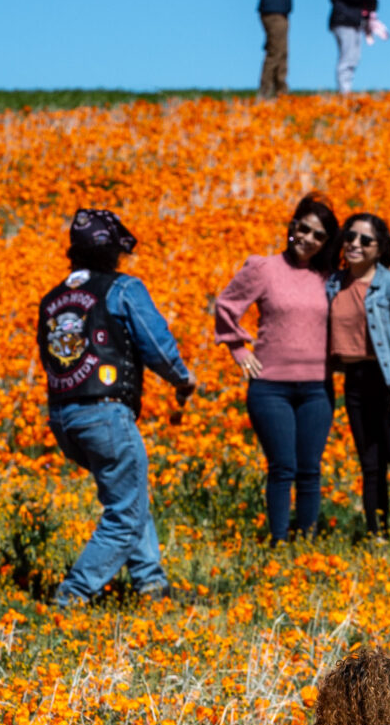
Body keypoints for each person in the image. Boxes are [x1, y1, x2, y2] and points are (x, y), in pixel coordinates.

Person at [40, 209, 199, 603]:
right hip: (105, 413)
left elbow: (50, 356)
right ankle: (70, 598)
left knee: (129, 494)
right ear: (113, 252)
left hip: (64, 416)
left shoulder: (53, 298)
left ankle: (151, 584)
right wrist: (182, 378)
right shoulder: (122, 288)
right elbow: (155, 342)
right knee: (125, 514)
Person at [215, 195, 343, 541]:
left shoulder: (329, 277)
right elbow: (227, 304)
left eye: (318, 236)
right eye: (304, 229)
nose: (308, 239)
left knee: (309, 470)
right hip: (270, 386)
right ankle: (279, 540)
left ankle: (306, 541)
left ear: (326, 243)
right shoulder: (263, 269)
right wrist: (238, 349)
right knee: (282, 467)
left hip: (317, 387)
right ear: (291, 228)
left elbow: (368, 286)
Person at [330, 212, 390, 536]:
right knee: (371, 467)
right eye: (350, 237)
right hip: (355, 381)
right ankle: (377, 537)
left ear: (379, 247)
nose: (355, 244)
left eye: (365, 240)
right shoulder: (333, 283)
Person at [325, 0, 382, 95]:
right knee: (348, 57)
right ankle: (344, 91)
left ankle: (346, 90)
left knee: (353, 56)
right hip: (344, 19)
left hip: (352, 18)